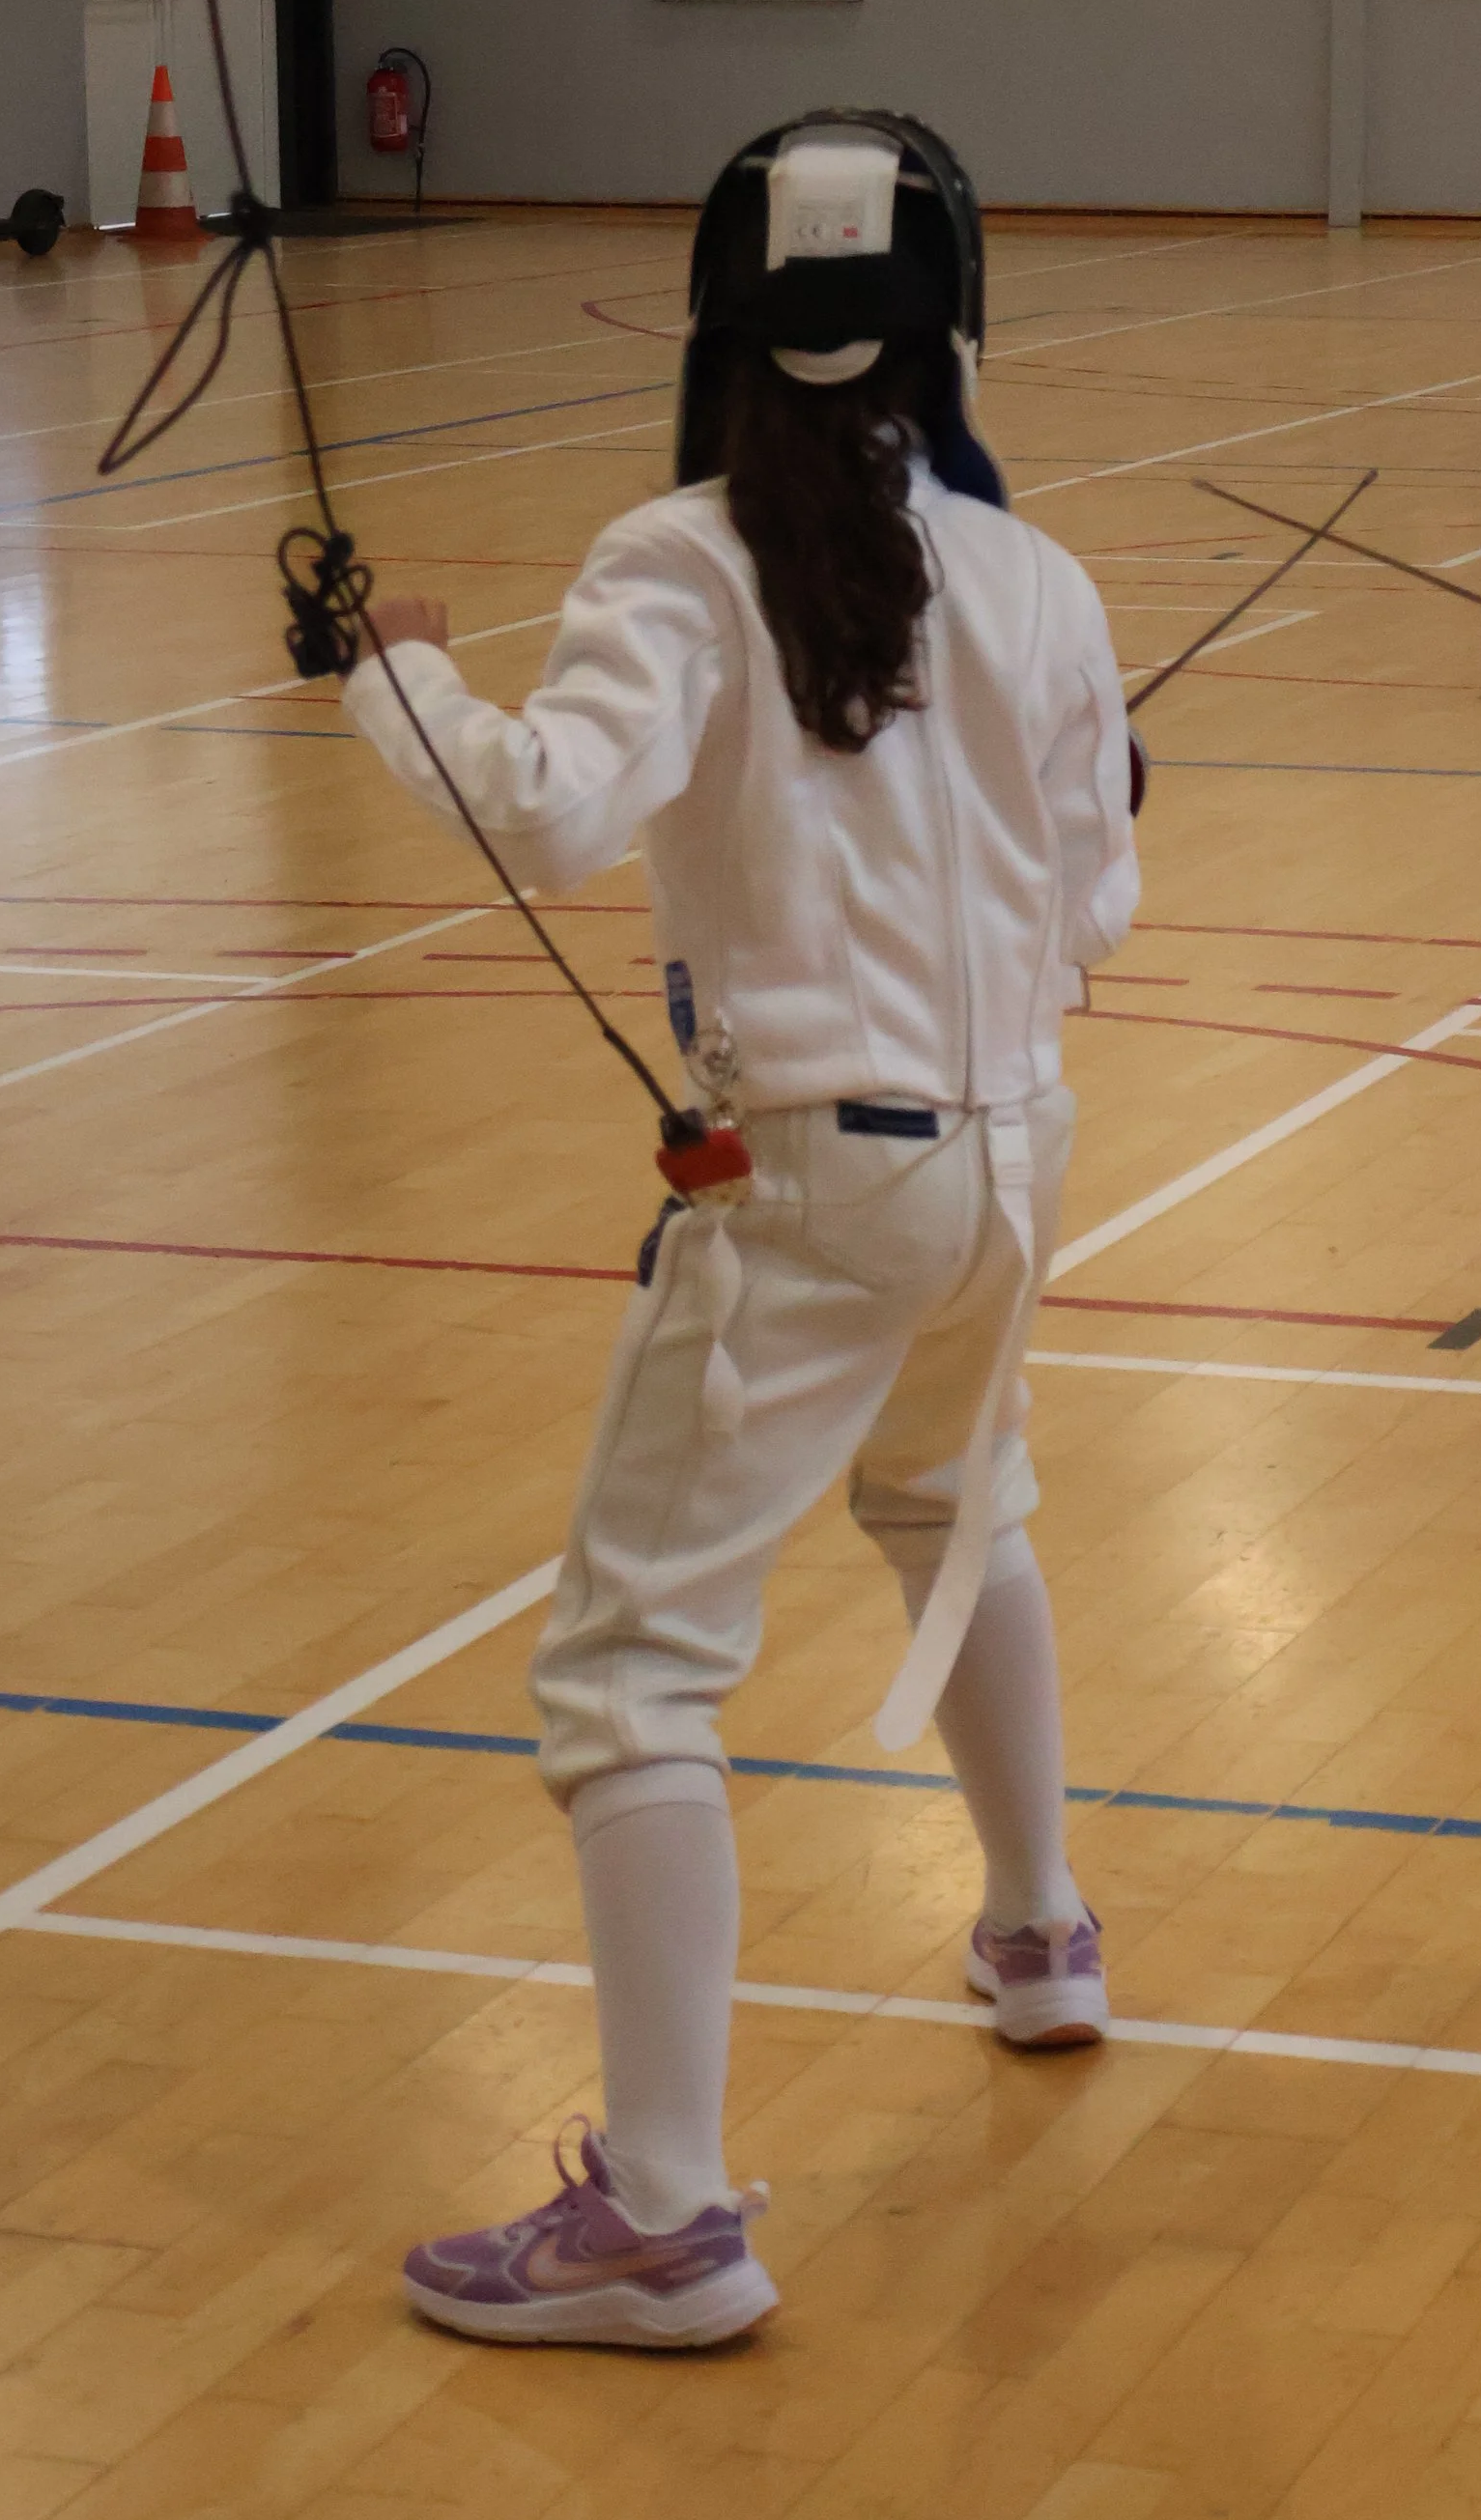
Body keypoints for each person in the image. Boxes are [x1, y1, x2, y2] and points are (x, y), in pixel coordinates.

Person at [341, 113, 1138, 2344]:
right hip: (1012, 1166)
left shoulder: (675, 560)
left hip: (820, 1177)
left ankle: (669, 2216)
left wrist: (395, 670)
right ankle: (1038, 1931)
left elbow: (557, 809)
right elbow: (1101, 905)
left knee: (627, 1672)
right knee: (952, 1504)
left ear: (720, 324)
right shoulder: (1037, 576)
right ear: (945, 321)